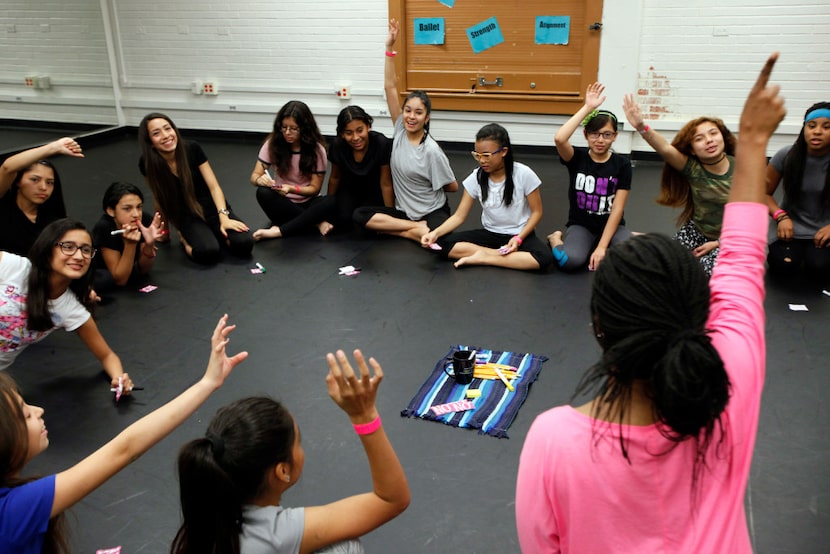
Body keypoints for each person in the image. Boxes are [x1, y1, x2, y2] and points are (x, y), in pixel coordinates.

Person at [515, 54, 785, 553]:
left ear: (599, 327)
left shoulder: (553, 440)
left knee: (604, 248)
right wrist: (755, 146)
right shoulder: (728, 395)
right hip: (589, 231)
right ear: (696, 313)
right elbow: (745, 262)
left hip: (611, 235)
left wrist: (744, 145)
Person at [0, 314, 246, 553]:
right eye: (25, 415)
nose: (39, 410)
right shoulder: (14, 510)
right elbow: (125, 448)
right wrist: (207, 383)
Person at [170, 349, 410, 554]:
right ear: (282, 471)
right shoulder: (275, 534)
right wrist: (364, 415)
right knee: (343, 547)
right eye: (298, 442)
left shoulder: (205, 520)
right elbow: (391, 499)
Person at [353, 18, 458, 243]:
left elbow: (452, 186)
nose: (411, 116)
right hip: (405, 214)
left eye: (418, 113)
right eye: (408, 110)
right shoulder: (400, 128)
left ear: (426, 117)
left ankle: (409, 231)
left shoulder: (431, 150)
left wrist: (425, 183)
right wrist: (389, 47)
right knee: (360, 216)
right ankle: (413, 229)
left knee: (441, 242)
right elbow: (390, 86)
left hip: (432, 212)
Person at [0, 218, 134, 391]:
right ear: (48, 249)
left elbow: (107, 355)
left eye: (86, 250)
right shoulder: (13, 267)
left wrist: (120, 380)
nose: (79, 256)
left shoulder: (69, 308)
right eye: (68, 247)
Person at [623, 93, 737, 276]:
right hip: (696, 232)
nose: (709, 140)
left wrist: (718, 244)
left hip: (733, 240)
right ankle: (646, 240)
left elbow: (753, 219)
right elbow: (666, 149)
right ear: (692, 149)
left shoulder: (743, 170)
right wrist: (640, 126)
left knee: (703, 271)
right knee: (666, 264)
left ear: (723, 136)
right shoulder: (693, 168)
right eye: (699, 138)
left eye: (713, 133)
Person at [422, 123, 554, 271]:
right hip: (490, 235)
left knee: (544, 258)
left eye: (486, 155)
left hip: (519, 235)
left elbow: (537, 212)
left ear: (503, 151)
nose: (481, 160)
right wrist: (434, 233)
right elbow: (459, 216)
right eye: (477, 155)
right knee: (439, 244)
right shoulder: (476, 177)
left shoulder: (524, 174)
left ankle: (485, 257)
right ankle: (500, 256)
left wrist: (518, 238)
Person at [139, 112, 253, 264]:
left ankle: (213, 232)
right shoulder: (148, 164)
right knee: (208, 252)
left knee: (244, 244)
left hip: (213, 208)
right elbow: (159, 197)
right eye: (156, 133)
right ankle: (184, 239)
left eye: (168, 128)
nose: (166, 135)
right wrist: (164, 231)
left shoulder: (192, 149)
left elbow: (214, 187)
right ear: (150, 142)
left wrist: (224, 217)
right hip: (187, 216)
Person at [547, 83, 632, 271]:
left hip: (612, 225)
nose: (600, 140)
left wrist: (602, 247)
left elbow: (617, 208)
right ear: (586, 134)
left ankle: (614, 240)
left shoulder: (622, 164)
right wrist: (588, 108)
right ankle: (555, 238)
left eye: (607, 134)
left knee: (635, 258)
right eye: (595, 134)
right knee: (568, 261)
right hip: (581, 226)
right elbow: (560, 138)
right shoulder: (576, 158)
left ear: (615, 136)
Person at [765, 101, 830, 279]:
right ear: (804, 129)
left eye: (826, 127)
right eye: (811, 126)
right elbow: (763, 193)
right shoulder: (787, 155)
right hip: (789, 229)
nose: (817, 131)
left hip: (823, 232)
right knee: (783, 265)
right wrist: (781, 216)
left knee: (819, 267)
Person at [250, 100, 330, 240]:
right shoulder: (272, 144)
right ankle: (314, 222)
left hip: (307, 201)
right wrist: (260, 180)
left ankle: (281, 230)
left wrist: (291, 189)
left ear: (304, 129)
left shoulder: (317, 150)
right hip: (283, 202)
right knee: (263, 193)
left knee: (332, 201)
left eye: (293, 129)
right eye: (284, 127)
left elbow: (315, 189)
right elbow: (254, 176)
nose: (287, 132)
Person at [0, 137, 79, 256]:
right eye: (34, 179)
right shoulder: (4, 204)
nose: (43, 187)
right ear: (18, 181)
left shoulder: (53, 221)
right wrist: (54, 147)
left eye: (49, 182)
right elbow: (7, 167)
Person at [324, 105, 393, 231]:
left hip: (373, 193)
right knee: (343, 222)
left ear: (368, 126)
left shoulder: (381, 143)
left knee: (367, 224)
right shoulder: (338, 146)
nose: (355, 138)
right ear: (342, 134)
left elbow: (386, 183)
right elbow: (335, 177)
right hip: (349, 191)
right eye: (349, 133)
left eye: (360, 130)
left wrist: (391, 214)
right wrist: (329, 205)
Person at [91, 181, 163, 291]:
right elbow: (120, 280)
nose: (136, 214)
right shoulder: (105, 227)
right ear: (111, 211)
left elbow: (144, 270)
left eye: (139, 207)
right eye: (127, 209)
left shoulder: (144, 220)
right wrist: (130, 245)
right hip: (102, 271)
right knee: (105, 280)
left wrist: (149, 245)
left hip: (126, 269)